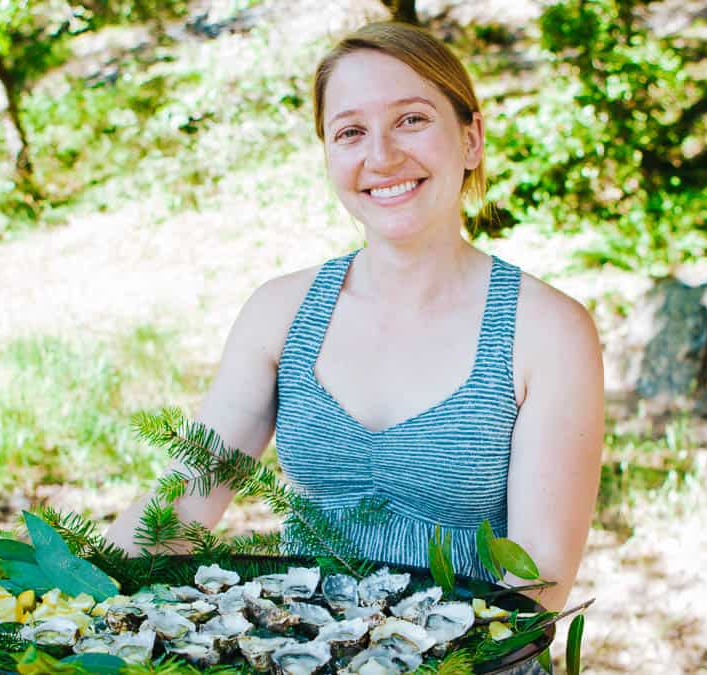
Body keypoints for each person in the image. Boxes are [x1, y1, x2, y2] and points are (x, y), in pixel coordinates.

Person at [107, 20, 603, 621]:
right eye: (350, 131)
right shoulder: (281, 313)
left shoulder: (547, 330)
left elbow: (537, 579)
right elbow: (185, 503)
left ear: (471, 139)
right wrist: (69, 590)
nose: (382, 155)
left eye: (411, 120)